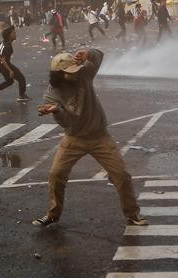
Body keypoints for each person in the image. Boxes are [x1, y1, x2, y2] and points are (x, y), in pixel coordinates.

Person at [32, 49, 147, 228]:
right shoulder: (51, 94)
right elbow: (66, 122)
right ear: (58, 75)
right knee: (56, 174)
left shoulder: (84, 73)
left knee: (122, 175)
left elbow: (99, 57)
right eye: (68, 73)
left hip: (100, 136)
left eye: (74, 69)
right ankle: (53, 214)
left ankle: (132, 214)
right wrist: (57, 111)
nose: (74, 75)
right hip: (74, 139)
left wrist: (88, 54)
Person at [0, 26, 30, 101]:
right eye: (13, 33)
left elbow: (0, 51)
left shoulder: (4, 42)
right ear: (9, 36)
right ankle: (22, 96)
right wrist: (10, 70)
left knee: (10, 81)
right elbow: (3, 60)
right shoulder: (8, 46)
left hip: (1, 65)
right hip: (4, 65)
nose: (15, 34)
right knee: (21, 78)